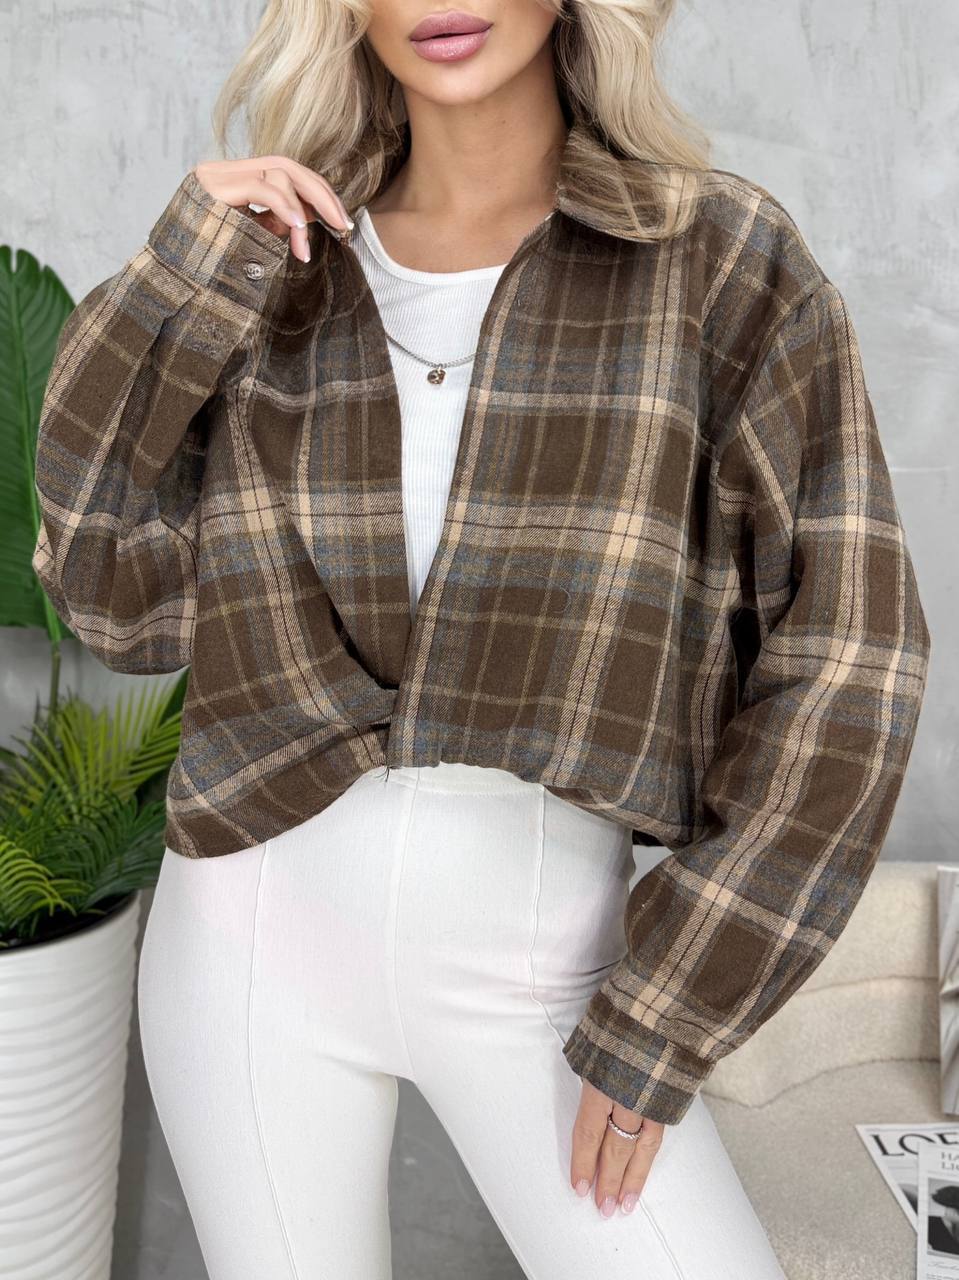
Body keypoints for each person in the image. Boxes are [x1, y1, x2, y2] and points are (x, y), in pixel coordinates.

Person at [31, 1, 930, 1277]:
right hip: (246, 940)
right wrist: (183, 276)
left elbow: (849, 657)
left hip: (547, 965)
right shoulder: (272, 262)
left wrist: (665, 1013)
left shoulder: (718, 262)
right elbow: (106, 592)